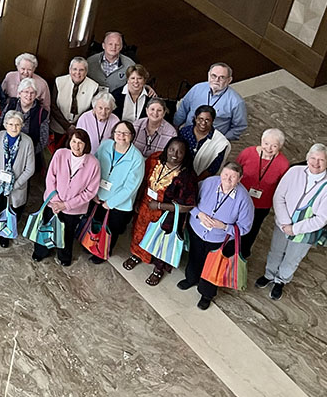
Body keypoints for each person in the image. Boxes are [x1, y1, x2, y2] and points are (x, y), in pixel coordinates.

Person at [123, 137, 198, 285]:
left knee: (161, 242)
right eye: (171, 149)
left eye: (180, 152)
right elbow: (142, 181)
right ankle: (137, 255)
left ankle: (158, 269)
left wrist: (159, 206)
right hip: (145, 208)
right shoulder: (154, 159)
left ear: (185, 154)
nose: (174, 154)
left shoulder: (187, 176)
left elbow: (188, 206)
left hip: (166, 216)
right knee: (140, 232)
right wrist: (138, 200)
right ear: (166, 149)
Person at [179, 163, 254, 309]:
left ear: (240, 178)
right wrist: (198, 214)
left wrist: (224, 227)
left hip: (220, 240)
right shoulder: (208, 183)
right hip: (198, 231)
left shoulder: (244, 200)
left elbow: (245, 228)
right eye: (225, 174)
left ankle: (206, 294)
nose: (228, 179)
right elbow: (190, 201)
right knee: (194, 257)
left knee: (213, 268)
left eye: (233, 177)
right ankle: (190, 279)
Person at [257, 143, 327, 300]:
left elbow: (322, 218)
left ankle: (281, 280)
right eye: (313, 158)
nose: (316, 163)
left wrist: (294, 229)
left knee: (293, 257)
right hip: (283, 223)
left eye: (321, 160)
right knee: (275, 250)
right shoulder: (294, 172)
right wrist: (284, 223)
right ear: (307, 158)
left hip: (306, 231)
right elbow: (278, 196)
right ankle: (269, 275)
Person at [34, 129, 101, 266]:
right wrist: (56, 201)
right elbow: (50, 177)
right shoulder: (60, 154)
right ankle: (41, 251)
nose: (76, 146)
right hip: (53, 203)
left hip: (74, 209)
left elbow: (90, 192)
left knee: (67, 233)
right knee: (47, 227)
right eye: (74, 141)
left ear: (86, 144)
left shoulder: (93, 163)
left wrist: (66, 205)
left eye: (80, 143)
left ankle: (64, 256)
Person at [87, 121, 145, 262]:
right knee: (95, 223)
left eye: (126, 133)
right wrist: (93, 192)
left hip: (119, 204)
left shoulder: (137, 158)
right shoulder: (106, 145)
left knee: (110, 231)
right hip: (98, 196)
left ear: (132, 136)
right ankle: (90, 244)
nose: (121, 136)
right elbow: (94, 167)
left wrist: (110, 203)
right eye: (118, 132)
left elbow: (130, 188)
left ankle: (103, 252)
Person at [0, 110, 36, 247]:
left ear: (22, 125)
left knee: (9, 211)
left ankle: (4, 234)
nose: (14, 128)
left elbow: (30, 169)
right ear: (5, 124)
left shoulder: (27, 142)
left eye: (17, 125)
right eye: (10, 124)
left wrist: (15, 185)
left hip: (14, 187)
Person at [236, 128, 289, 259]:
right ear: (261, 141)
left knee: (252, 229)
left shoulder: (283, 164)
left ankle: (242, 254)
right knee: (234, 224)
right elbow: (236, 170)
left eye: (274, 146)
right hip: (240, 198)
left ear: (280, 147)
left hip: (262, 204)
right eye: (266, 143)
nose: (269, 148)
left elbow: (282, 187)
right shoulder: (248, 153)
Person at [173, 62, 247, 140]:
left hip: (211, 141)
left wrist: (221, 141)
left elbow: (239, 126)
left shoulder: (236, 102)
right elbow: (183, 109)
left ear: (229, 80)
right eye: (213, 76)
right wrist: (175, 127)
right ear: (208, 75)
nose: (217, 80)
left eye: (222, 77)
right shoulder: (197, 88)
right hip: (187, 134)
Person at [0, 77, 49, 156]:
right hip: (6, 149)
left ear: (36, 95)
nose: (29, 95)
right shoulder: (11, 105)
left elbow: (43, 140)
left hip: (30, 153)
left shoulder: (42, 113)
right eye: (26, 92)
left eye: (32, 93)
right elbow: (0, 125)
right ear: (19, 93)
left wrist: (29, 153)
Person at [50, 56, 99, 137]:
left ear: (86, 72)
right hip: (58, 127)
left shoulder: (94, 86)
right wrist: (67, 126)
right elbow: (53, 105)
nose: (77, 73)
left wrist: (76, 126)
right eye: (75, 69)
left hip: (80, 128)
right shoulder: (59, 81)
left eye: (81, 70)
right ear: (70, 70)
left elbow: (91, 110)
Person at [179, 105, 230, 180]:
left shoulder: (220, 142)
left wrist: (195, 182)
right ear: (195, 118)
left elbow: (213, 168)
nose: (203, 123)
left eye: (207, 120)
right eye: (200, 119)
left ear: (212, 121)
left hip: (200, 180)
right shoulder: (185, 132)